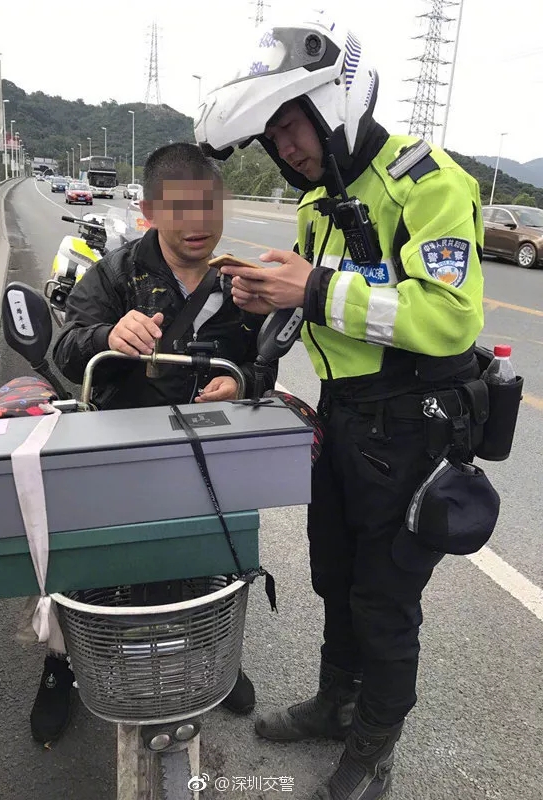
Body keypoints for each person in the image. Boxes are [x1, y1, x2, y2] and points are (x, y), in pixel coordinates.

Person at [195, 14, 485, 800]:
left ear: (335, 102)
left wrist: (316, 287)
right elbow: (321, 308)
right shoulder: (318, 203)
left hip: (413, 423)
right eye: (272, 138)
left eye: (292, 126)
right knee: (334, 573)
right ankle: (336, 702)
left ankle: (375, 745)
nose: (286, 148)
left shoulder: (426, 181)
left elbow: (450, 318)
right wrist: (269, 305)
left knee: (384, 600)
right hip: (345, 419)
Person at [28, 142, 277, 744]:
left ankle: (216, 651)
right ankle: (62, 662)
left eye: (209, 206)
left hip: (206, 458)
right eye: (180, 208)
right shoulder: (116, 275)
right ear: (151, 210)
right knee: (89, 561)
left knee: (211, 557)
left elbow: (264, 368)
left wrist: (239, 383)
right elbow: (66, 353)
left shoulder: (239, 286)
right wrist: (107, 335)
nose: (198, 223)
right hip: (118, 455)